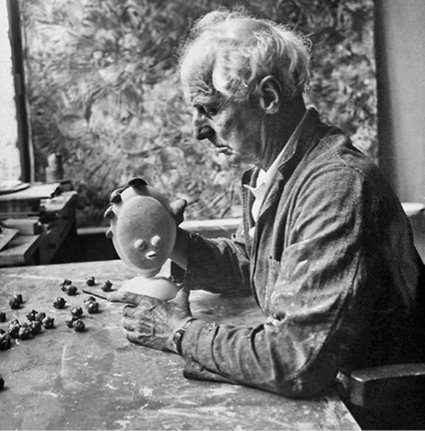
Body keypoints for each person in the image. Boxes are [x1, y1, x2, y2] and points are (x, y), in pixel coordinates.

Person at [109, 9, 425, 399]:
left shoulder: (337, 187)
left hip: (374, 405)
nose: (197, 130)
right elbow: (255, 264)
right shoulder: (278, 171)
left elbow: (296, 359)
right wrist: (172, 241)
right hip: (332, 383)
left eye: (209, 109)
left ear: (269, 97)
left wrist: (178, 331)